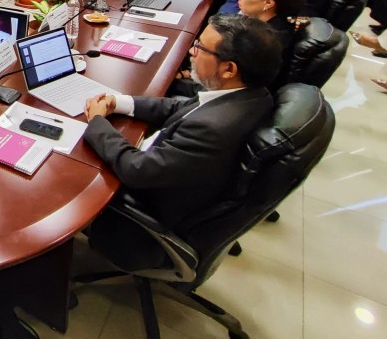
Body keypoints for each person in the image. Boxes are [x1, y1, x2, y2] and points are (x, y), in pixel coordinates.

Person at [83, 14, 281, 270]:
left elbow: (136, 170)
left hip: (142, 218)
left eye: (200, 47)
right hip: (171, 176)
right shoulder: (249, 96)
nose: (191, 51)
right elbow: (180, 107)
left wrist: (97, 121)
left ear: (229, 69)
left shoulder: (212, 128)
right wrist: (119, 102)